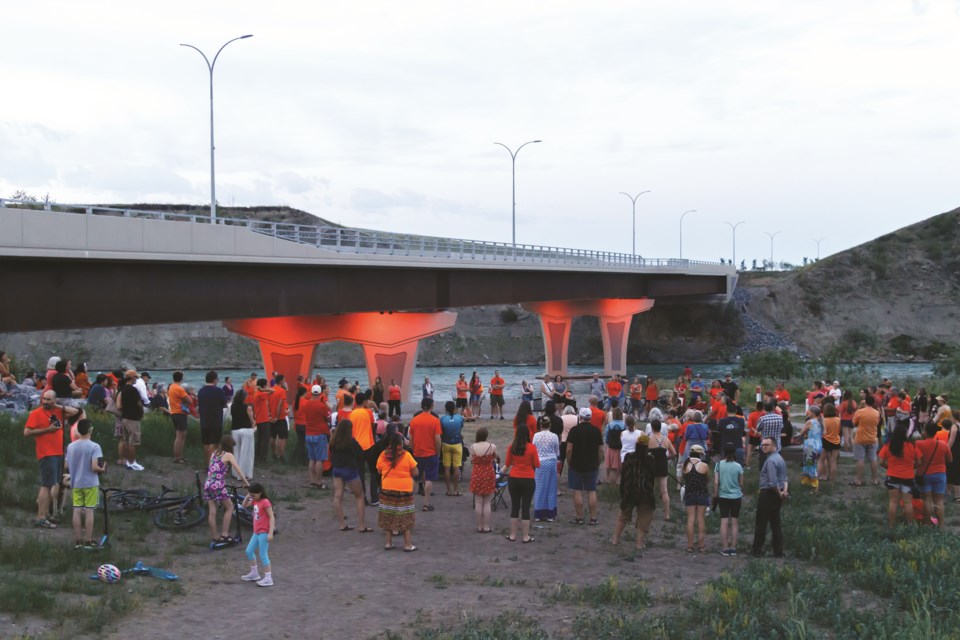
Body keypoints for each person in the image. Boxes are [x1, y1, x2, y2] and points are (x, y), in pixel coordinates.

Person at [64, 418, 105, 547]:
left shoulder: (71, 446)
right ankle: (88, 540)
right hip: (91, 483)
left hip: (76, 483)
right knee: (89, 511)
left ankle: (78, 540)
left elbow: (66, 465)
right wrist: (102, 469)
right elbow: (94, 467)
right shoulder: (95, 446)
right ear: (90, 430)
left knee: (76, 510)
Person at [376, 432, 419, 551]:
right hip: (404, 489)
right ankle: (407, 544)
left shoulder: (383, 455)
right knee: (405, 515)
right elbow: (415, 472)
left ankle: (388, 543)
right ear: (401, 443)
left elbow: (379, 471)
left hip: (387, 488)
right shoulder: (407, 455)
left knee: (387, 514)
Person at [612, 434, 655, 550]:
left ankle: (615, 539)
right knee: (644, 517)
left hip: (629, 490)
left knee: (623, 515)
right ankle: (639, 544)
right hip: (645, 492)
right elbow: (652, 476)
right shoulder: (650, 459)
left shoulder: (628, 457)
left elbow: (624, 474)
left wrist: (623, 491)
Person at [203, 435, 249, 544]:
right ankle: (224, 534)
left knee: (212, 511)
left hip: (208, 483)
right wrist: (246, 483)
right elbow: (238, 470)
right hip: (218, 484)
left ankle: (215, 536)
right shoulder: (228, 455)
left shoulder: (214, 453)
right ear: (229, 445)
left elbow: (211, 469)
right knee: (230, 507)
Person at [329, 419, 371, 532]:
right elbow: (361, 454)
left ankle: (341, 524)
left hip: (337, 469)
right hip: (349, 470)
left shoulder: (333, 440)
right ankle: (362, 525)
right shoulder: (351, 442)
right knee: (359, 495)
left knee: (338, 496)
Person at [565, 407, 604, 525]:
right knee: (591, 491)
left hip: (576, 464)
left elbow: (569, 450)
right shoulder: (596, 431)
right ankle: (593, 518)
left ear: (580, 417)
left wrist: (569, 462)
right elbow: (601, 450)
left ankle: (579, 517)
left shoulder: (574, 430)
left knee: (577, 491)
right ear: (590, 417)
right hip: (592, 464)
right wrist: (598, 462)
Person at [502, 423, 540, 543]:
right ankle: (525, 536)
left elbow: (507, 463)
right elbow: (537, 464)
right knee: (526, 507)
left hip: (514, 478)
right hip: (528, 479)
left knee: (515, 506)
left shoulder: (511, 447)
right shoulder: (532, 448)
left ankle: (513, 535)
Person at [752, 438, 788, 558]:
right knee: (775, 523)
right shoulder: (780, 458)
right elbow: (784, 478)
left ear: (774, 445)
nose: (764, 447)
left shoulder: (770, 461)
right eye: (762, 445)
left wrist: (779, 494)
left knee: (761, 523)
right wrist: (784, 492)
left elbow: (773, 483)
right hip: (777, 494)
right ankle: (778, 551)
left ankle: (756, 551)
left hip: (768, 494)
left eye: (767, 445)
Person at [878, 423, 918, 528]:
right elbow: (919, 461)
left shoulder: (889, 445)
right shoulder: (912, 446)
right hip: (908, 476)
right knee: (908, 503)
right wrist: (912, 467)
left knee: (893, 502)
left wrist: (889, 468)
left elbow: (881, 461)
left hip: (893, 476)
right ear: (905, 434)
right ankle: (910, 525)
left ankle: (891, 525)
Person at [916, 422, 953, 527]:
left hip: (925, 475)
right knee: (939, 501)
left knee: (926, 500)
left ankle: (927, 524)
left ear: (926, 432)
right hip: (940, 475)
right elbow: (950, 460)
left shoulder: (919, 444)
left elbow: (916, 460)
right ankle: (941, 525)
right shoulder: (943, 444)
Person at [409, 397, 442, 512]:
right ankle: (426, 504)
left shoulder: (414, 420)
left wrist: (413, 450)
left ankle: (409, 502)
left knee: (415, 477)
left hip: (418, 452)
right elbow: (437, 439)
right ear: (431, 406)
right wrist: (438, 451)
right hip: (431, 452)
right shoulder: (435, 421)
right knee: (429, 478)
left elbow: (411, 439)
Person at [241, 483, 276, 587]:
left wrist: (270, 533)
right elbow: (243, 505)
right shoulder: (255, 500)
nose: (252, 496)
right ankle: (254, 573)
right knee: (249, 551)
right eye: (250, 494)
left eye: (253, 494)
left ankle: (268, 578)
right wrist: (248, 496)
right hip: (256, 531)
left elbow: (272, 517)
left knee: (263, 554)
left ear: (260, 493)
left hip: (264, 532)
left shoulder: (265, 502)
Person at [347, 393, 379, 506]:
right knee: (373, 472)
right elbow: (373, 425)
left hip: (356, 446)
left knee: (360, 473)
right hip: (369, 444)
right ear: (365, 401)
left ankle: (363, 497)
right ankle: (374, 498)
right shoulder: (369, 412)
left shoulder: (352, 414)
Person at [714, 442, 744, 556]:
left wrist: (715, 494)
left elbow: (716, 482)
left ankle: (725, 548)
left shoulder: (719, 465)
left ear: (724, 452)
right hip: (736, 496)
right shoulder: (738, 466)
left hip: (723, 496)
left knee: (724, 521)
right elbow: (741, 483)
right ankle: (733, 547)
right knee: (735, 522)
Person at [469, 427, 498, 533]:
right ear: (486, 436)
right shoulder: (492, 446)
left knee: (478, 502)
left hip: (477, 474)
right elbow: (494, 457)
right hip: (488, 474)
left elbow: (472, 459)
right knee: (487, 502)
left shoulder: (472, 447)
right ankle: (486, 526)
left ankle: (479, 526)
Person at [682, 444, 710, 553]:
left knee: (690, 520)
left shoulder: (685, 465)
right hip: (702, 494)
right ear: (700, 454)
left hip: (689, 494)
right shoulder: (704, 465)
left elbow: (685, 479)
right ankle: (701, 546)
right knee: (701, 520)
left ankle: (689, 546)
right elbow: (707, 479)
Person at [304, 385, 332, 489]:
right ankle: (318, 481)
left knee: (312, 459)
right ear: (320, 394)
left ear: (311, 393)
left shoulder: (306, 404)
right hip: (320, 434)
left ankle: (312, 480)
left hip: (309, 433)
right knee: (320, 459)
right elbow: (328, 418)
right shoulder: (321, 406)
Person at [116, 370, 145, 471]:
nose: (136, 379)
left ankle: (127, 461)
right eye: (136, 377)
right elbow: (139, 403)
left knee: (126, 440)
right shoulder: (133, 390)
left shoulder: (123, 389)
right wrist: (142, 412)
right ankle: (132, 463)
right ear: (132, 377)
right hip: (133, 418)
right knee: (133, 441)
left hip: (124, 417)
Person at [532, 415, 560, 522]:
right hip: (551, 461)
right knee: (551, 486)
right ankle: (550, 513)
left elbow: (534, 449)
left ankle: (539, 513)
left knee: (539, 486)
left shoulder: (536, 436)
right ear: (550, 425)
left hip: (540, 462)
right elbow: (557, 451)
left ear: (540, 425)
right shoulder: (554, 436)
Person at [198, 370, 228, 466]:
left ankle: (207, 464)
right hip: (215, 420)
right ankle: (213, 465)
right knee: (214, 442)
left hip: (204, 420)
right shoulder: (218, 391)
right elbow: (224, 404)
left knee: (206, 443)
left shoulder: (201, 391)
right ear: (215, 380)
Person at [648, 419, 676, 521]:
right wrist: (666, 458)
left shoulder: (649, 439)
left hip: (651, 465)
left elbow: (644, 453)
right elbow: (674, 453)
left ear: (651, 427)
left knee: (650, 489)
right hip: (662, 465)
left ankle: (650, 512)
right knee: (664, 491)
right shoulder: (666, 439)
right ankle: (667, 514)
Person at [851, 395, 882, 486]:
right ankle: (874, 479)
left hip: (860, 438)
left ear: (865, 402)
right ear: (873, 403)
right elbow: (877, 423)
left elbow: (854, 423)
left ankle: (858, 480)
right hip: (873, 438)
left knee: (860, 459)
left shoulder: (860, 412)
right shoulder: (876, 413)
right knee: (873, 458)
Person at [230, 389, 256, 481]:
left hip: (235, 430)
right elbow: (252, 421)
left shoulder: (232, 406)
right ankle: (245, 474)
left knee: (236, 452)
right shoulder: (247, 407)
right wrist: (255, 425)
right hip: (246, 430)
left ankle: (235, 472)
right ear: (244, 397)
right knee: (246, 452)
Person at [439, 401, 465, 496]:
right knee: (456, 468)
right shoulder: (460, 418)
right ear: (454, 408)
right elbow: (460, 429)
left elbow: (442, 432)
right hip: (457, 443)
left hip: (446, 443)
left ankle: (448, 490)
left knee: (446, 468)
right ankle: (455, 490)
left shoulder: (442, 419)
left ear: (446, 409)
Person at [797, 405, 823, 493]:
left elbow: (801, 433)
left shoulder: (810, 422)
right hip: (818, 444)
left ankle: (813, 485)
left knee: (809, 465)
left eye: (809, 411)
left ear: (812, 413)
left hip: (810, 445)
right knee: (812, 463)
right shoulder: (821, 421)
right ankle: (807, 482)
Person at [168, 371, 190, 464]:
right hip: (180, 413)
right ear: (181, 378)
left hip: (173, 412)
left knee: (179, 436)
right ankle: (177, 457)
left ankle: (179, 456)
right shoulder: (179, 388)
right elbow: (188, 400)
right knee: (180, 436)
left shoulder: (171, 387)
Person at [268, 374, 289, 462]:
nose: (284, 382)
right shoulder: (282, 390)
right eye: (284, 380)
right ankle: (281, 455)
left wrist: (270, 415)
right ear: (281, 381)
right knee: (282, 437)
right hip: (279, 417)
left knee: (272, 436)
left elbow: (267, 403)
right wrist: (277, 416)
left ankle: (273, 454)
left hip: (271, 417)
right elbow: (280, 404)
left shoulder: (270, 390)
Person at [603, 406, 626, 485]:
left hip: (611, 447)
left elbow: (606, 436)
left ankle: (608, 478)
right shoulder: (624, 425)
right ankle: (618, 480)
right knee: (618, 465)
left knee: (610, 464)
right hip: (620, 448)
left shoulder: (609, 425)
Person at [819, 401, 841, 481]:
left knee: (822, 459)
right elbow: (839, 431)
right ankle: (832, 478)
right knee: (833, 460)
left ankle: (819, 476)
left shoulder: (824, 420)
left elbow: (821, 431)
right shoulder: (838, 420)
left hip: (825, 440)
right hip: (836, 441)